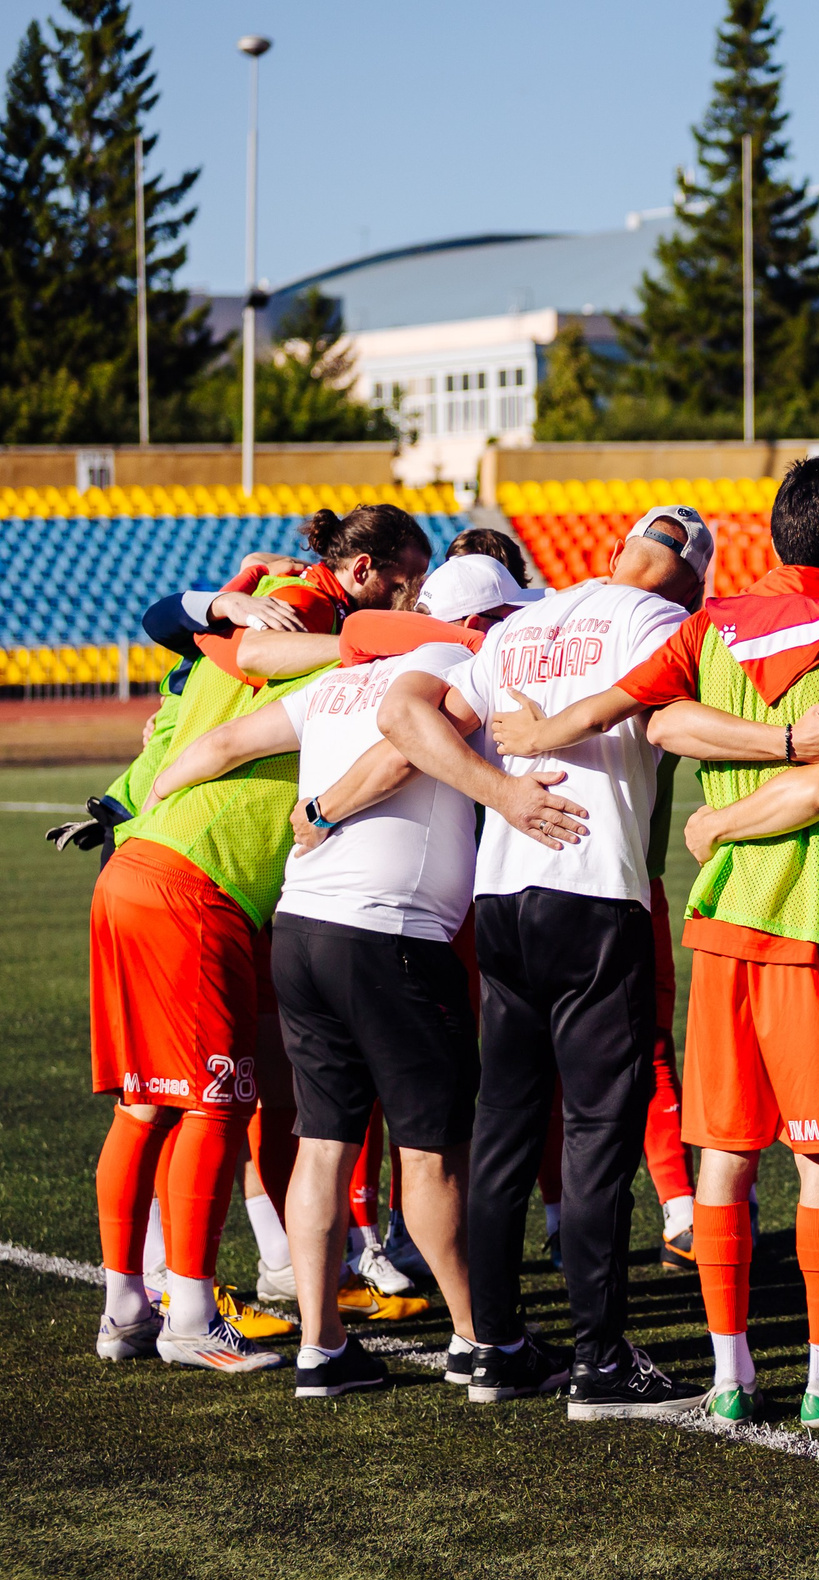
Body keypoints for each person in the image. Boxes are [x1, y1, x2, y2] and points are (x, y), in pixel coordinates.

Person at [484, 458, 819, 1430]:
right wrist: (739, 814)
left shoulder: (711, 628)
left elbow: (629, 712)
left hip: (721, 929)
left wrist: (540, 734)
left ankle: (734, 1377)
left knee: (725, 1159)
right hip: (818, 921)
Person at [139, 549, 534, 1396]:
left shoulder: (349, 675)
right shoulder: (455, 662)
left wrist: (152, 799)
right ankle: (483, 1339)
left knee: (325, 1142)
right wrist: (326, 807)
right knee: (430, 1153)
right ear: (486, 622)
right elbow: (403, 747)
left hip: (304, 924)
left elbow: (228, 740)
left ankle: (324, 1348)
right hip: (388, 934)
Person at [377, 504, 709, 1418]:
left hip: (505, 894)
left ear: (616, 552)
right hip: (597, 892)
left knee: (506, 1125)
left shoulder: (523, 625)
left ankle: (494, 1346)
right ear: (689, 579)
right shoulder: (661, 622)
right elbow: (675, 725)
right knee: (599, 1132)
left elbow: (409, 716)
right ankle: (602, 1363)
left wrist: (498, 792)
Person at [88, 505, 429, 1373]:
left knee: (145, 1104)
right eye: (404, 582)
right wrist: (371, 645)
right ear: (361, 574)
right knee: (214, 1102)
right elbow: (261, 654)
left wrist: (226, 595)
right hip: (197, 879)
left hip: (144, 863)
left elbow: (194, 638)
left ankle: (126, 1303)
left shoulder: (263, 595)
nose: (409, 600)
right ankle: (190, 1317)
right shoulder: (306, 606)